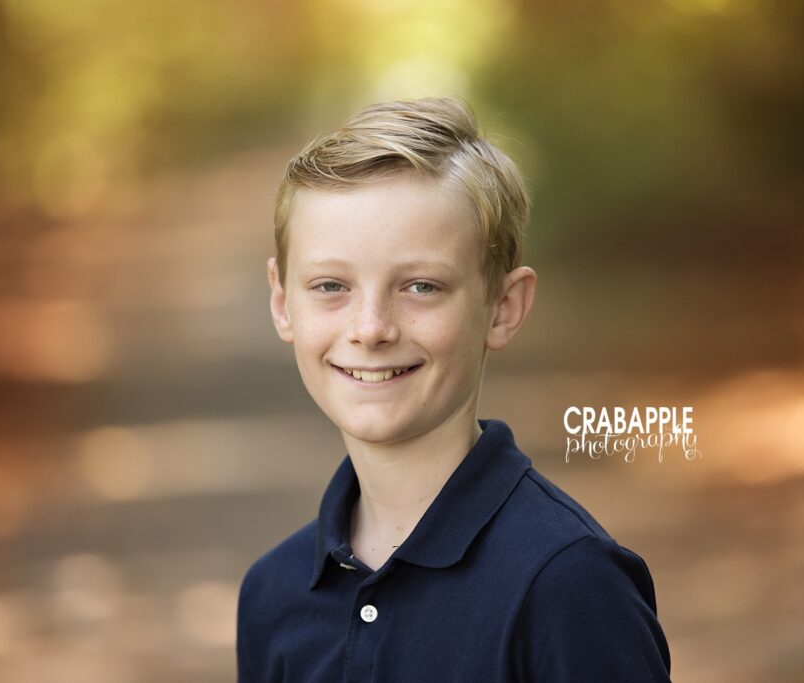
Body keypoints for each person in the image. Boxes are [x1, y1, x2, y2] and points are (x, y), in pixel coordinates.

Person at [236, 96, 671, 682]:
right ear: (282, 301)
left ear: (503, 307)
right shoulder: (273, 595)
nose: (370, 329)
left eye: (420, 286)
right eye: (331, 285)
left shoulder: (567, 584)